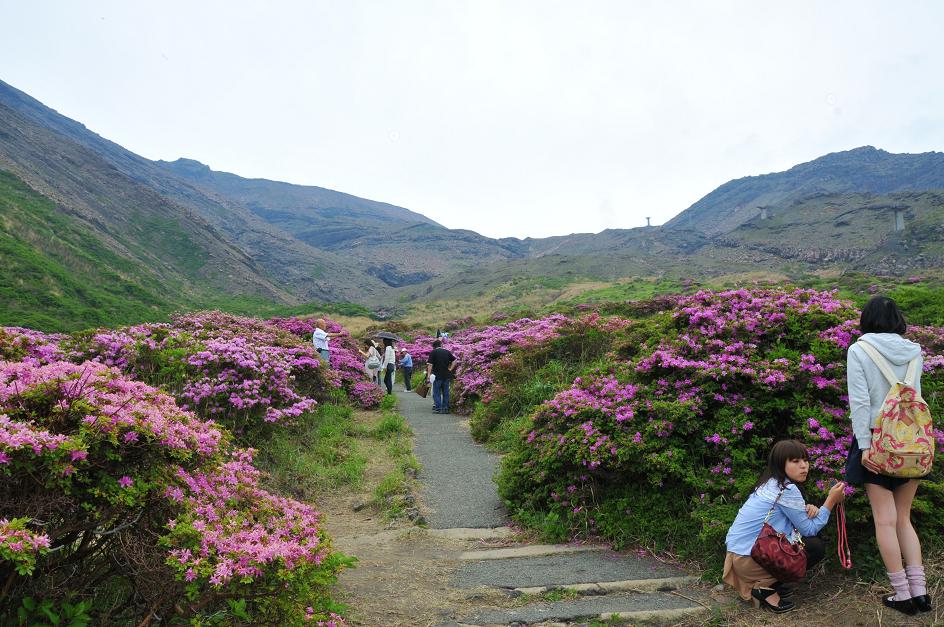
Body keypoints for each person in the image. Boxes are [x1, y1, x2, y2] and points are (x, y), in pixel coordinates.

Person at [845, 295, 931, 615]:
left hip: (878, 442)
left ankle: (902, 594)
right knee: (904, 518)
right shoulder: (914, 351)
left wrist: (864, 445)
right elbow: (915, 397)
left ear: (866, 319)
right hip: (911, 441)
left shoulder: (859, 349)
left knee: (885, 519)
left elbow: (860, 403)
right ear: (897, 319)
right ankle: (921, 593)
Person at [724, 439, 847, 613]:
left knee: (809, 542)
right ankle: (765, 589)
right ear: (781, 464)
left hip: (739, 555)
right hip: (749, 559)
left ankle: (768, 582)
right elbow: (809, 529)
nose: (804, 466)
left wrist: (810, 509)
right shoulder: (787, 489)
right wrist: (831, 501)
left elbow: (788, 518)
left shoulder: (770, 483)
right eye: (795, 461)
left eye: (805, 460)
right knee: (814, 546)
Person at [425, 339, 456, 414]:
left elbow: (430, 364)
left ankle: (438, 408)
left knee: (437, 392)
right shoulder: (447, 351)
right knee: (446, 392)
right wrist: (450, 369)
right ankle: (445, 408)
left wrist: (428, 375)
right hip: (446, 375)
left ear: (434, 346)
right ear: (441, 345)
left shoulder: (433, 352)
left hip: (438, 376)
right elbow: (454, 361)